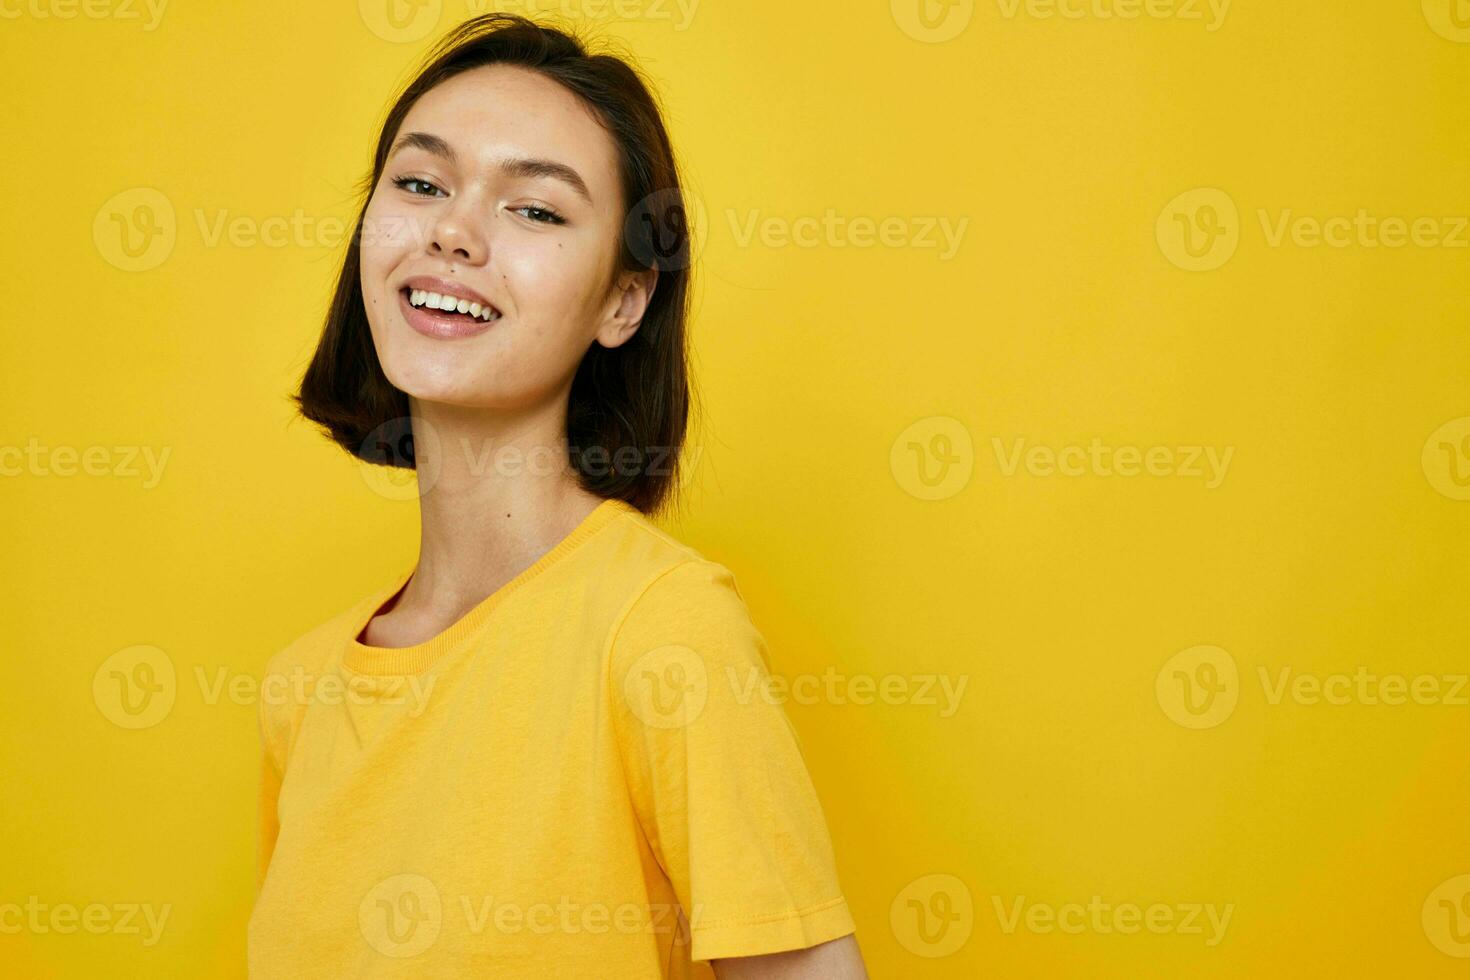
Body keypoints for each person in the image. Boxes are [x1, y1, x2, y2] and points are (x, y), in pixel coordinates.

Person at [248, 14, 867, 979]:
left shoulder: (662, 630)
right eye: (420, 183)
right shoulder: (300, 692)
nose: (452, 231)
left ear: (624, 300)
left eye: (534, 209)